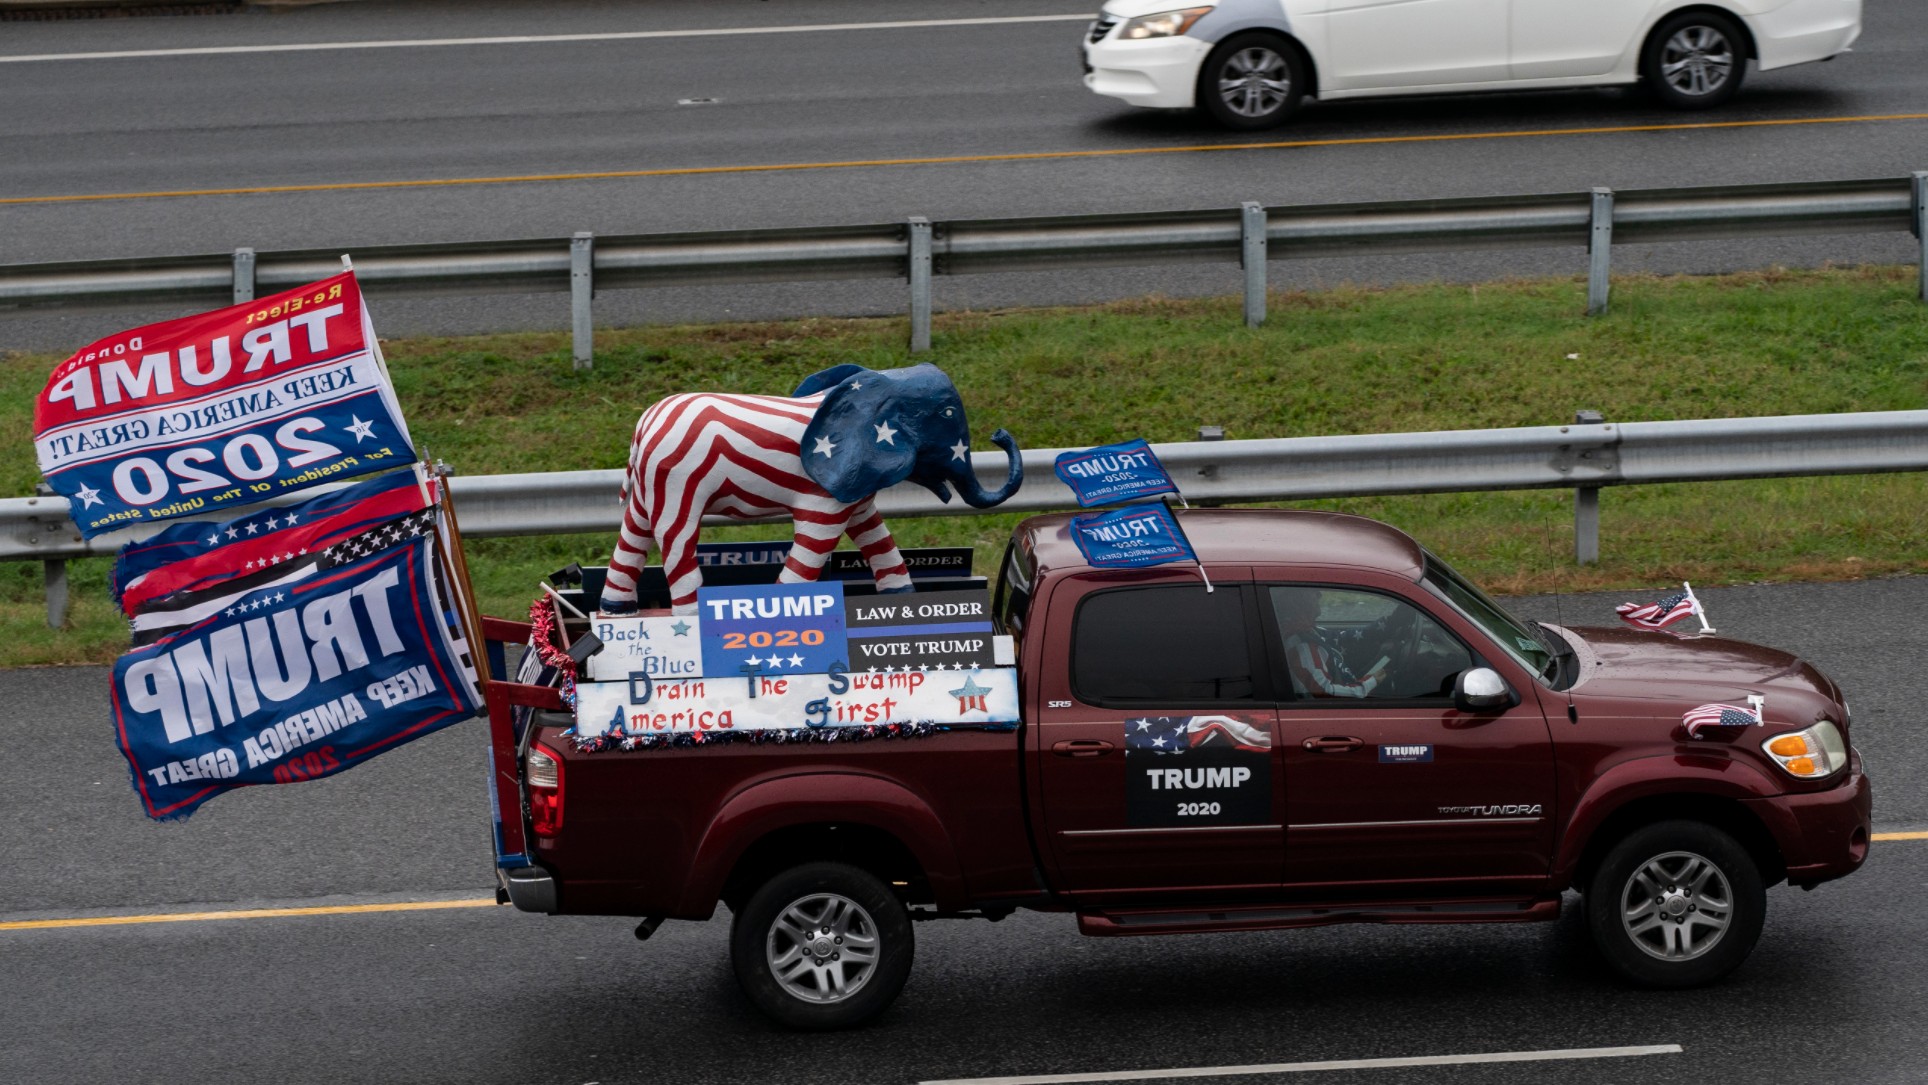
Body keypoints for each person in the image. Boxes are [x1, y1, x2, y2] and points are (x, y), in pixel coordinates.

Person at [1276, 589, 1394, 699]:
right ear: (1299, 601)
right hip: (1346, 705)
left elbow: (1340, 637)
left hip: (1349, 688)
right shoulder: (1302, 646)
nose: (1319, 595)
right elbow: (1323, 691)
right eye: (1313, 592)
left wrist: (1390, 622)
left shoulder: (1309, 630)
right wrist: (1370, 682)